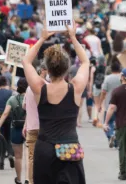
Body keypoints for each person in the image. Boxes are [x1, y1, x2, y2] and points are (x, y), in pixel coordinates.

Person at [21, 22, 89, 184]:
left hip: (45, 150)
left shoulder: (39, 89)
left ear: (47, 69)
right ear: (67, 68)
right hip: (70, 150)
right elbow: (85, 61)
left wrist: (42, 38)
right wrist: (72, 37)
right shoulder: (76, 88)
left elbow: (26, 62)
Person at [0, 78, 28, 184]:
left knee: (18, 157)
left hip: (16, 129)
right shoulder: (31, 98)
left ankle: (19, 179)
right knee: (30, 156)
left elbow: (5, 113)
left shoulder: (12, 99)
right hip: (29, 128)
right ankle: (29, 179)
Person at [23, 63, 47, 184]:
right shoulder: (47, 86)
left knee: (31, 157)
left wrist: (25, 124)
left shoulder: (28, 89)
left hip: (31, 127)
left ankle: (31, 180)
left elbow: (25, 107)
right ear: (43, 70)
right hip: (44, 127)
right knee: (46, 156)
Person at [99, 61, 122, 148]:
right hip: (120, 106)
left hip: (109, 105)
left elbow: (103, 91)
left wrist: (100, 103)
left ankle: (110, 135)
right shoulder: (122, 78)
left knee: (107, 123)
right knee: (119, 124)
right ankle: (116, 141)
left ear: (111, 69)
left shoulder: (107, 78)